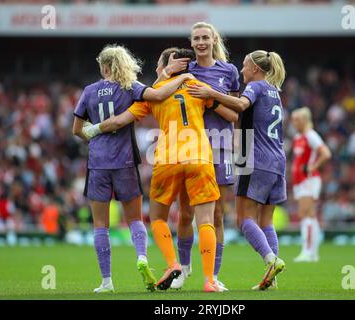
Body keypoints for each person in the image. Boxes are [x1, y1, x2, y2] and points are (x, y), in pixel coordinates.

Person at [83, 47, 239, 293]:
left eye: (159, 64)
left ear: (170, 65)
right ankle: (209, 280)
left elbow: (120, 120)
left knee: (157, 219)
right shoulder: (198, 87)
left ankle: (172, 264)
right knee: (206, 221)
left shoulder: (154, 94)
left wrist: (93, 129)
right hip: (199, 156)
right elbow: (231, 114)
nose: (156, 68)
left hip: (167, 159)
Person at [72, 44, 194, 293]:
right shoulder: (130, 87)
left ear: (104, 67)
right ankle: (142, 258)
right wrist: (181, 76)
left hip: (97, 163)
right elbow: (158, 94)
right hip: (125, 161)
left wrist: (96, 135)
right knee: (136, 219)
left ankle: (106, 282)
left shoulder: (89, 91)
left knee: (100, 225)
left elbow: (77, 131)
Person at [187, 49, 287, 290]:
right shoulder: (275, 92)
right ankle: (271, 278)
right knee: (266, 221)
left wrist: (211, 93)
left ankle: (271, 260)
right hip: (277, 159)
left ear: (255, 68)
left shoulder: (256, 86)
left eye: (244, 65)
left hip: (252, 156)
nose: (241, 70)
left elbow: (241, 105)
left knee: (243, 219)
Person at [158, 22, 240, 291]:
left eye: (206, 37)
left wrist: (211, 95)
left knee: (217, 215)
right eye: (197, 38)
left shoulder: (228, 71)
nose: (201, 42)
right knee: (184, 214)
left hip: (219, 146)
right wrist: (166, 72)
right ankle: (183, 269)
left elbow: (235, 113)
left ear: (214, 39)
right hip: (188, 150)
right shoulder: (186, 69)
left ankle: (213, 275)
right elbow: (154, 94)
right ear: (191, 43)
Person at [291, 107, 331, 262]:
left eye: (297, 119)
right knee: (310, 215)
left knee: (305, 214)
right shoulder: (298, 137)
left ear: (305, 120)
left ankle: (307, 251)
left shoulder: (311, 136)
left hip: (309, 180)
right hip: (301, 181)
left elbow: (326, 153)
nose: (294, 122)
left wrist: (313, 167)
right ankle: (313, 253)